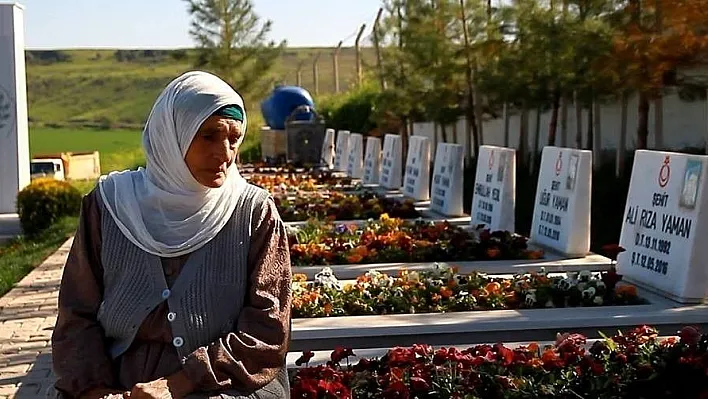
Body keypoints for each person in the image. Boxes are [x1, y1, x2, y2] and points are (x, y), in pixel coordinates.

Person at [50, 71, 292, 399]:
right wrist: (95, 390)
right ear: (172, 135)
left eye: (233, 138)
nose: (225, 153)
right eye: (208, 136)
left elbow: (268, 328)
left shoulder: (253, 212)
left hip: (225, 383)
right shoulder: (110, 206)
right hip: (118, 380)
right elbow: (77, 313)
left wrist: (177, 384)